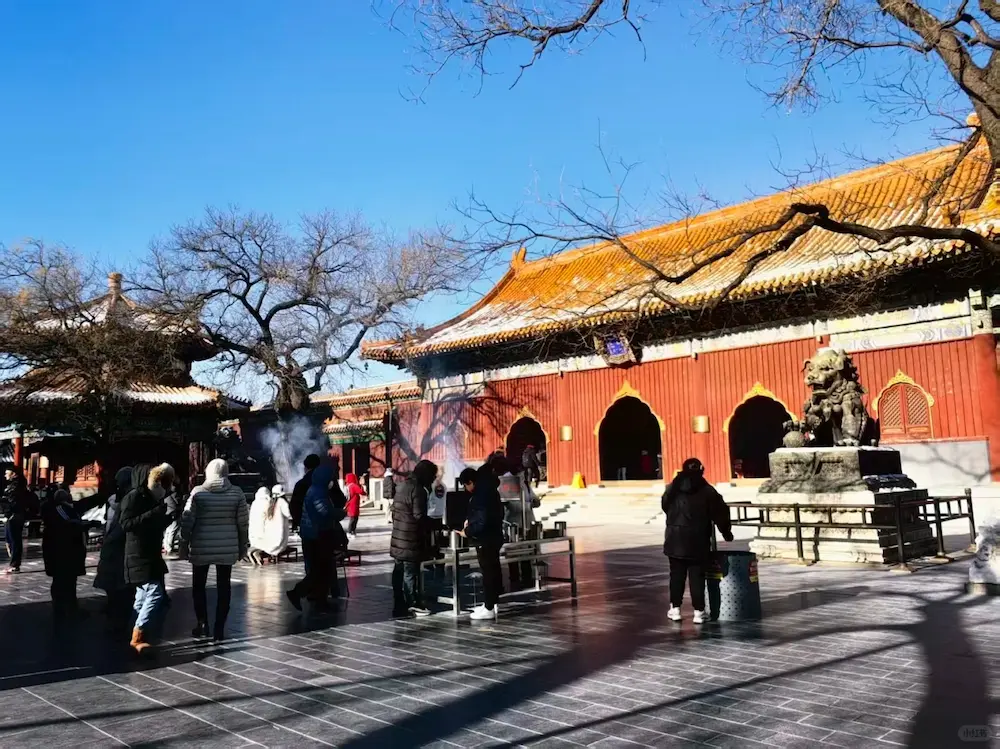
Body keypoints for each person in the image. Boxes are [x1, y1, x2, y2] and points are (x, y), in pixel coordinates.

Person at [182, 459, 250, 642]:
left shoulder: (198, 492)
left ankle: (202, 623)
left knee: (198, 586)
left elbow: (187, 520)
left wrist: (183, 542)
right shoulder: (237, 493)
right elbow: (243, 523)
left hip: (201, 545)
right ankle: (219, 627)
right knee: (224, 587)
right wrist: (243, 546)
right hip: (227, 546)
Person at [662, 458, 734, 624]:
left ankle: (675, 609)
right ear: (701, 470)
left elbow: (665, 505)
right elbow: (720, 512)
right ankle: (699, 612)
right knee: (697, 575)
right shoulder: (707, 490)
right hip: (698, 539)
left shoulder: (673, 488)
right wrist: (726, 532)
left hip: (675, 538)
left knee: (676, 575)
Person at [120, 463, 177, 654]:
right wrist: (153, 514)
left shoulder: (153, 498)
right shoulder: (134, 496)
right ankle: (138, 634)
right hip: (138, 553)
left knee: (141, 596)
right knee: (155, 592)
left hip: (149, 553)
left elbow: (153, 524)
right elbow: (126, 523)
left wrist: (169, 517)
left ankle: (132, 634)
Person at [286, 461, 343, 613]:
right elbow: (323, 510)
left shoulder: (317, 489)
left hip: (314, 533)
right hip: (318, 534)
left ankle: (317, 597)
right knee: (321, 569)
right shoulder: (318, 491)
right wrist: (339, 514)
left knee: (320, 568)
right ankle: (300, 593)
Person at [41, 484, 103, 618]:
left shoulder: (67, 508)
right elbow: (70, 524)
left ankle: (68, 607)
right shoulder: (59, 509)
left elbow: (83, 505)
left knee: (67, 580)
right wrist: (89, 524)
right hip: (62, 551)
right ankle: (64, 607)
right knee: (63, 580)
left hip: (67, 550)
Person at [389, 460, 437, 618]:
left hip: (398, 536)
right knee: (410, 572)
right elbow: (419, 516)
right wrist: (437, 525)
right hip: (410, 537)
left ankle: (398, 603)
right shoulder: (418, 490)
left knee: (398, 571)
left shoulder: (402, 485)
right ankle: (413, 604)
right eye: (433, 476)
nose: (434, 479)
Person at [459, 461, 505, 621]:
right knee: (493, 569)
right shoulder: (491, 491)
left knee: (488, 572)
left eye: (466, 485)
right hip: (495, 535)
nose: (466, 489)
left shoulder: (480, 495)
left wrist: (467, 531)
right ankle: (492, 602)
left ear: (470, 482)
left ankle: (489, 607)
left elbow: (481, 520)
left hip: (484, 539)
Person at [94, 466, 135, 619]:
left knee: (117, 579)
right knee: (118, 580)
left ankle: (115, 608)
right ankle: (115, 607)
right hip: (118, 544)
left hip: (117, 544)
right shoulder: (125, 500)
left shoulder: (117, 500)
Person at [248, 484, 291, 565]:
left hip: (264, 531)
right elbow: (289, 514)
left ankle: (256, 551)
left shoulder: (269, 503)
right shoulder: (281, 502)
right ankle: (260, 552)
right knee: (277, 546)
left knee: (266, 543)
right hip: (279, 531)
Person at [2, 468, 28, 574]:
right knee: (10, 539)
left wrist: (8, 514)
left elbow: (12, 503)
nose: (5, 475)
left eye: (7, 473)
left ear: (13, 474)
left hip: (14, 516)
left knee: (14, 540)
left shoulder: (17, 487)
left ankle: (14, 564)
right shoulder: (13, 486)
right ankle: (13, 563)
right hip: (11, 516)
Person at [290, 454, 321, 532]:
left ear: (305, 468)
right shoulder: (328, 481)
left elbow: (294, 506)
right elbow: (340, 500)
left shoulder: (300, 484)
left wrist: (300, 522)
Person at [344, 473, 365, 539]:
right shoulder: (354, 486)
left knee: (352, 519)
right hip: (354, 505)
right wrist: (362, 485)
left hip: (350, 504)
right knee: (354, 519)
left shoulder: (348, 485)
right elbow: (361, 492)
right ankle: (350, 531)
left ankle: (351, 531)